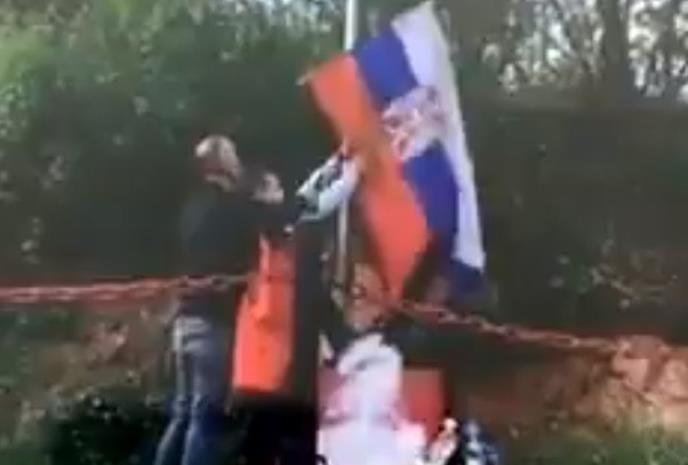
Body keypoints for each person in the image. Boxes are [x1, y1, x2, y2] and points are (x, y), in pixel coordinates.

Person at [153, 135, 265, 465]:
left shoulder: (192, 208)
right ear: (220, 164)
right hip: (214, 323)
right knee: (205, 421)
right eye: (232, 154)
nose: (238, 161)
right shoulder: (232, 209)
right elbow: (263, 236)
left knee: (182, 415)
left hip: (186, 319)